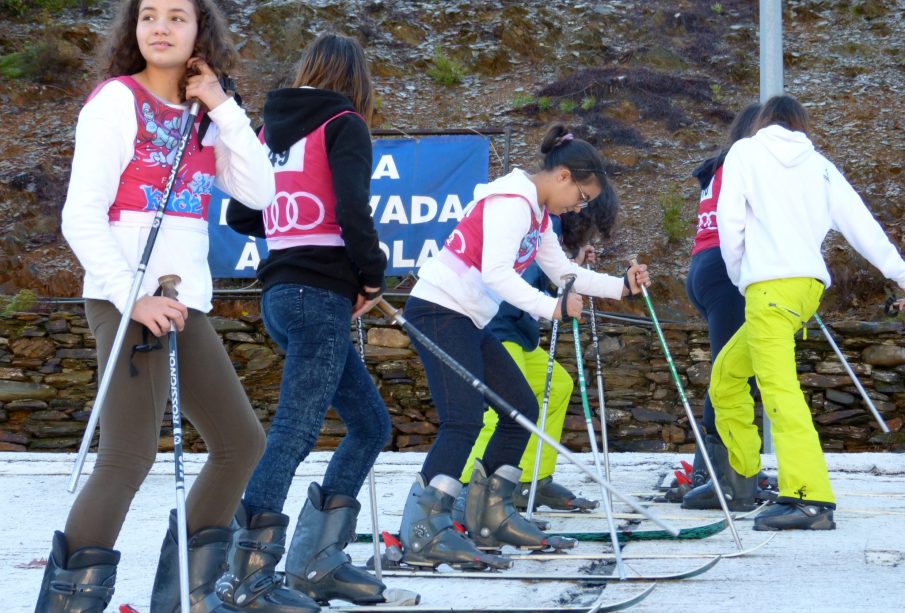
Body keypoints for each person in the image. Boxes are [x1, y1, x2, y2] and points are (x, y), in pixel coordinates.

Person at [36, 1, 316, 611]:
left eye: (176, 17)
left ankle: (182, 595)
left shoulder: (205, 117)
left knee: (241, 443)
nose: (160, 27)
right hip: (126, 295)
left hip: (182, 301)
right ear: (134, 31)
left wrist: (221, 105)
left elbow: (263, 192)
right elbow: (81, 216)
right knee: (128, 455)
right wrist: (130, 296)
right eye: (149, 16)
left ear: (199, 31)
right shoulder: (115, 101)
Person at [397, 124, 649, 568]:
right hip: (437, 310)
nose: (579, 208)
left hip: (466, 316)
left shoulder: (537, 214)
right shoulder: (512, 202)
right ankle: (423, 529)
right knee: (463, 421)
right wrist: (551, 310)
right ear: (564, 176)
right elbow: (496, 273)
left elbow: (563, 272)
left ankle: (490, 515)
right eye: (582, 198)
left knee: (521, 410)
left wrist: (622, 288)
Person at [224, 33, 401, 607]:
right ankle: (248, 576)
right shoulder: (344, 123)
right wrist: (373, 275)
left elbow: (240, 212)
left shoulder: (265, 129)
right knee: (294, 434)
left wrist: (290, 223)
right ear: (355, 79)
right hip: (318, 296)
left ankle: (318, 562)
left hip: (280, 295)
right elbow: (353, 210)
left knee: (371, 425)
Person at [712, 94, 905, 531]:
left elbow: (730, 223)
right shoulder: (819, 166)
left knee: (780, 394)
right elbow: (863, 226)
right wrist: (900, 274)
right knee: (726, 377)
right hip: (804, 291)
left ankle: (809, 497)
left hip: (768, 289)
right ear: (801, 125)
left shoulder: (744, 152)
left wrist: (743, 274)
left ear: (762, 122)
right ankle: (744, 479)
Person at [457, 187, 620, 514]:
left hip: (519, 329)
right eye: (583, 206)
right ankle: (467, 488)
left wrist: (573, 266)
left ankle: (532, 478)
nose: (578, 210)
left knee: (556, 386)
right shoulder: (530, 215)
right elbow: (513, 272)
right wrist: (556, 299)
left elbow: (540, 275)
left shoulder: (548, 222)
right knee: (502, 408)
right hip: (498, 322)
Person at [664, 103, 766, 509]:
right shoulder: (747, 164)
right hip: (726, 270)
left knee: (736, 370)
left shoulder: (723, 163)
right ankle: (712, 473)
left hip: (705, 267)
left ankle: (720, 469)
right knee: (733, 374)